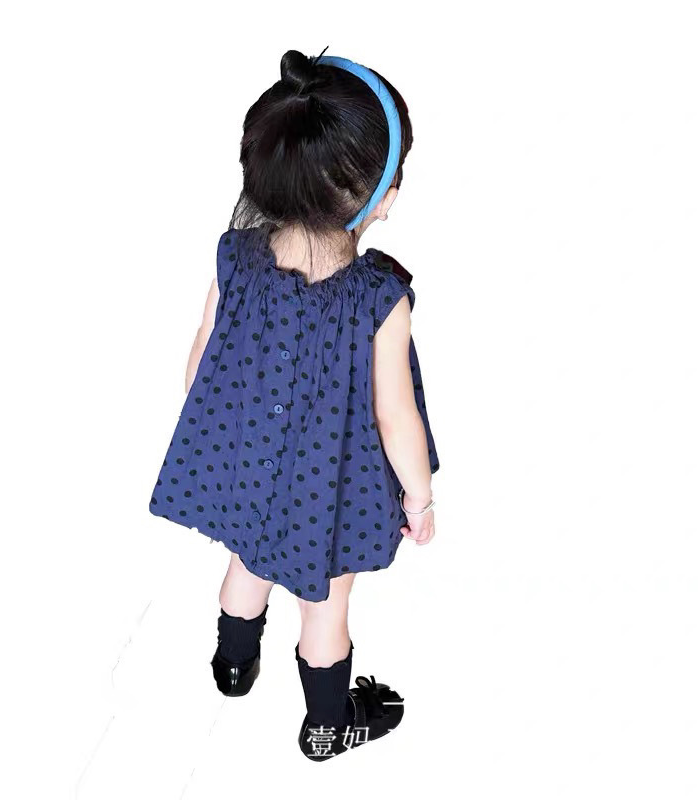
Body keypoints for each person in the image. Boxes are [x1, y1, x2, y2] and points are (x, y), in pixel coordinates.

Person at [148, 47, 440, 761]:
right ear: (379, 198)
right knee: (326, 606)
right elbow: (394, 416)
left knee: (247, 563)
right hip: (332, 492)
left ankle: (233, 667)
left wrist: (223, 440)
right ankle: (327, 725)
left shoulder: (236, 258)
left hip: (248, 466)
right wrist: (419, 496)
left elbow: (202, 357)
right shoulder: (378, 299)